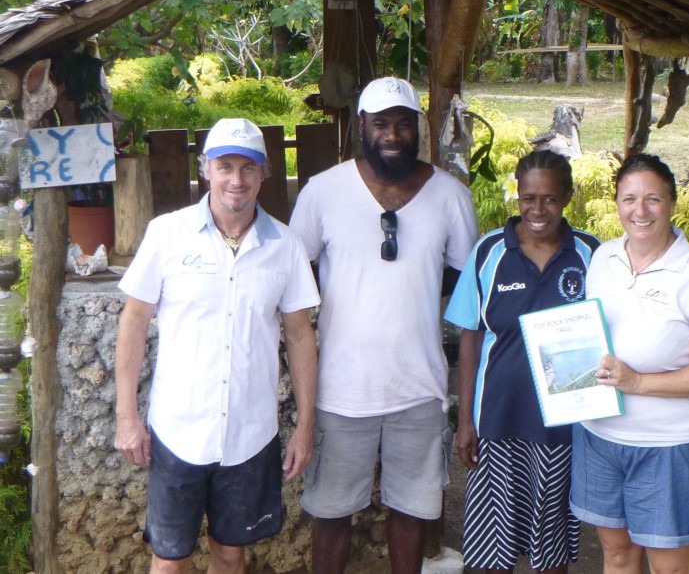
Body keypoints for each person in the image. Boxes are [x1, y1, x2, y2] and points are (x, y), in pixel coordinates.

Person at [289, 76, 478, 573]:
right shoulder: (323, 192)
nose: (392, 134)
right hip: (340, 389)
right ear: (361, 128)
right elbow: (295, 275)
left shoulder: (450, 197)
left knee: (412, 511)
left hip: (418, 387)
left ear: (417, 128)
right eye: (380, 124)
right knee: (330, 513)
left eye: (402, 123)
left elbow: (463, 286)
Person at [114, 118, 320, 574]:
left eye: (248, 168)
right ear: (204, 168)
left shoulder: (285, 245)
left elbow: (300, 335)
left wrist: (305, 427)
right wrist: (127, 417)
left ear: (264, 174)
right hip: (177, 431)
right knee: (169, 559)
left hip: (250, 434)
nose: (237, 180)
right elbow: (133, 322)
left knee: (231, 554)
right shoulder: (168, 234)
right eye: (225, 166)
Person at [570, 153, 689, 574]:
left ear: (672, 204)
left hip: (668, 444)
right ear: (616, 203)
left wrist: (639, 382)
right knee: (616, 553)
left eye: (653, 199)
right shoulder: (602, 259)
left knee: (672, 568)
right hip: (600, 434)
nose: (640, 210)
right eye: (629, 198)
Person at [444, 150, 600, 573]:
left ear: (567, 196)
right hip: (498, 422)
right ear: (517, 195)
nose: (538, 209)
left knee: (551, 552)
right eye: (528, 197)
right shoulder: (488, 252)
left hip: (563, 429)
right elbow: (470, 338)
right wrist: (465, 421)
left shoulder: (591, 255)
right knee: (492, 551)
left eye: (549, 198)